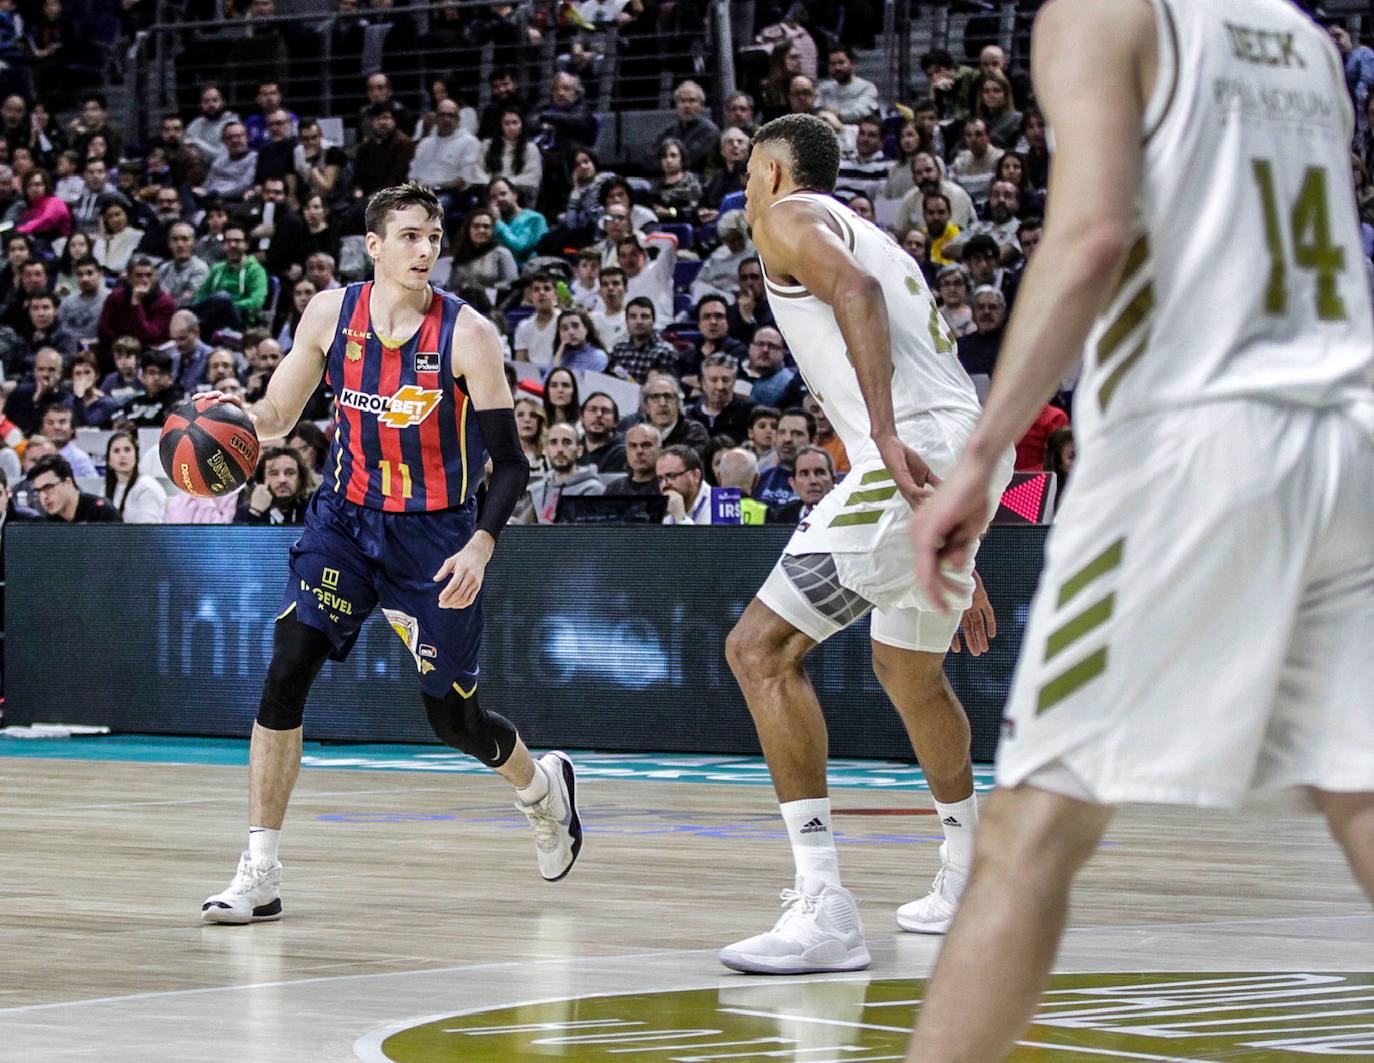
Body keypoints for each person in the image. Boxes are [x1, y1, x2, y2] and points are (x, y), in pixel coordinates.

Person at [905, 2, 1374, 1060]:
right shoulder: (1304, 38)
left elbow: (1091, 239)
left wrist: (983, 454)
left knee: (1032, 827)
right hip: (1350, 439)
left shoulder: (1104, 12)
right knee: (1361, 789)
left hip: (1194, 448)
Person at [201, 183, 579, 926]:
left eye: (433, 237)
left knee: (455, 721)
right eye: (409, 236)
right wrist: (240, 417)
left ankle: (541, 790)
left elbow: (510, 463)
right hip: (344, 522)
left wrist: (481, 544)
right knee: (287, 668)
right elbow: (278, 414)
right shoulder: (328, 314)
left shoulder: (468, 334)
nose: (426, 249)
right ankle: (259, 871)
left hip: (435, 539)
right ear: (373, 245)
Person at [717, 113, 1011, 976]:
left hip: (911, 453)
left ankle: (824, 909)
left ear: (774, 172)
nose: (745, 190)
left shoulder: (786, 219)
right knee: (909, 669)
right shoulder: (873, 233)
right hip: (962, 453)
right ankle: (970, 872)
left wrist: (882, 435)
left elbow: (856, 294)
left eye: (749, 172)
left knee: (759, 651)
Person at [518, 421, 605, 523]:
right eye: (553, 442)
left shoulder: (592, 489)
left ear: (579, 451)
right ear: (545, 450)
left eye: (567, 442)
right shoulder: (535, 490)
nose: (560, 449)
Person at [28, 452, 120, 522]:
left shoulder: (101, 512)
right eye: (38, 491)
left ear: (68, 483)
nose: (44, 497)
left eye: (48, 487)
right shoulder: (49, 523)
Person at [233, 445, 314, 525]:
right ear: (262, 480)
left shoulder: (314, 509)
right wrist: (255, 511)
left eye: (290, 473)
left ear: (300, 479)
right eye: (274, 473)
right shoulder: (246, 511)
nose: (282, 480)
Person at [103, 426, 165, 523]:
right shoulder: (105, 488)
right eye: (116, 451)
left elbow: (148, 528)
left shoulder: (147, 487)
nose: (122, 455)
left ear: (136, 455)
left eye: (127, 450)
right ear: (109, 460)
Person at [766, 444, 836, 523]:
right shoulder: (782, 519)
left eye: (820, 473)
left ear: (833, 480)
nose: (812, 481)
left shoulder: (845, 514)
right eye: (804, 474)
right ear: (793, 484)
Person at [602, 422, 658, 496]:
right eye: (633, 446)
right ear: (626, 452)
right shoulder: (613, 489)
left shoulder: (666, 487)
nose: (639, 451)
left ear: (659, 449)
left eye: (646, 445)